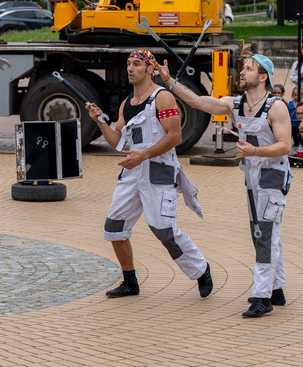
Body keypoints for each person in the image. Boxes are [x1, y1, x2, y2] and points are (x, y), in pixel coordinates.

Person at [164, 55, 291, 318]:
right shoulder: (235, 104)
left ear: (263, 76)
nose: (242, 72)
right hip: (252, 174)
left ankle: (262, 297)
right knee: (260, 231)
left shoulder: (276, 107)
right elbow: (198, 102)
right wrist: (168, 81)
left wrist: (255, 149)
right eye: (243, 67)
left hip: (273, 172)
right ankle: (275, 290)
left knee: (264, 235)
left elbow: (285, 146)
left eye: (248, 69)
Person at [85, 49, 213, 301]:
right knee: (114, 228)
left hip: (158, 172)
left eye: (136, 64)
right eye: (128, 64)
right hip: (132, 173)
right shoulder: (126, 104)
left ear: (149, 69)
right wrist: (100, 121)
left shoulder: (163, 98)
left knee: (163, 229)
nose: (130, 68)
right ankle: (130, 281)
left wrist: (142, 155)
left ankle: (201, 270)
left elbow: (175, 137)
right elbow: (119, 143)